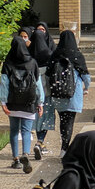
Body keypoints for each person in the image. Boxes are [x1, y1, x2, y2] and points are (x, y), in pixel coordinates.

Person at [0, 36, 45, 172]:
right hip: (29, 103)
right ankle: (25, 153)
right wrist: (40, 102)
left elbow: (5, 84)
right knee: (26, 130)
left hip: (13, 103)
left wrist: (3, 102)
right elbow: (38, 84)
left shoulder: (8, 63)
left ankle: (16, 159)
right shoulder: (32, 63)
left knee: (13, 130)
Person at [51, 29, 91, 155]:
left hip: (58, 93)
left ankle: (64, 146)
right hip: (73, 94)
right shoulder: (77, 55)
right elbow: (86, 76)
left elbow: (48, 74)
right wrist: (86, 88)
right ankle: (64, 148)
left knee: (63, 120)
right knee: (69, 121)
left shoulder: (55, 54)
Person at [28, 28, 56, 157]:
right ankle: (40, 141)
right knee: (45, 118)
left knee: (34, 118)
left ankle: (35, 143)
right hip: (47, 93)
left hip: (32, 94)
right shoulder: (49, 55)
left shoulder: (28, 55)